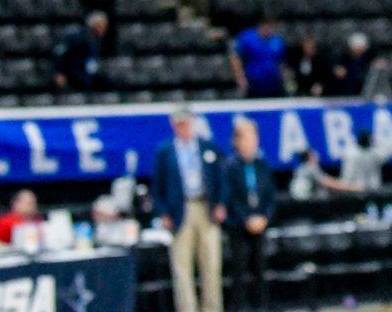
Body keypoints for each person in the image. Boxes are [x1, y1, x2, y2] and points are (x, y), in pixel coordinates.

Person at [152, 106, 224, 312]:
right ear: (174, 125)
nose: (184, 127)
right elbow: (158, 187)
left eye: (187, 123)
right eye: (179, 124)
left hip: (205, 208)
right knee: (182, 268)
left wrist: (220, 204)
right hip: (180, 209)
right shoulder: (165, 152)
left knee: (211, 263)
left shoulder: (207, 147)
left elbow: (220, 179)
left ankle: (212, 308)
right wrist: (163, 213)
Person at [222, 118, 275, 312]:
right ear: (236, 141)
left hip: (260, 224)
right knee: (239, 270)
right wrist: (246, 218)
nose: (251, 142)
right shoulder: (229, 166)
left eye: (254, 137)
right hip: (238, 226)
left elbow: (270, 196)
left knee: (260, 269)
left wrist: (264, 217)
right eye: (247, 138)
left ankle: (261, 306)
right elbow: (230, 198)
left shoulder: (263, 164)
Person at [230, 15, 287, 98]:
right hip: (253, 83)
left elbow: (282, 62)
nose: (269, 29)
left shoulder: (277, 40)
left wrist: (284, 79)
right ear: (261, 25)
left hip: (274, 83)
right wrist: (240, 77)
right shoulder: (247, 37)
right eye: (267, 25)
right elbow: (235, 57)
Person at [53, 11, 111, 91]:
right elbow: (60, 53)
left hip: (88, 74)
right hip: (74, 74)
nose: (104, 28)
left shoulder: (96, 40)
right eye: (101, 25)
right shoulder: (77, 37)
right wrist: (60, 72)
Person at [288, 150, 357, 200]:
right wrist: (352, 188)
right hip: (304, 201)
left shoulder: (301, 168)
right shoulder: (310, 168)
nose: (317, 156)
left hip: (300, 198)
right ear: (309, 157)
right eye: (314, 155)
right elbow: (328, 183)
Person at [332, 32, 375, 96]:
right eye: (358, 48)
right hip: (345, 92)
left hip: (363, 91)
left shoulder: (369, 58)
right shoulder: (343, 58)